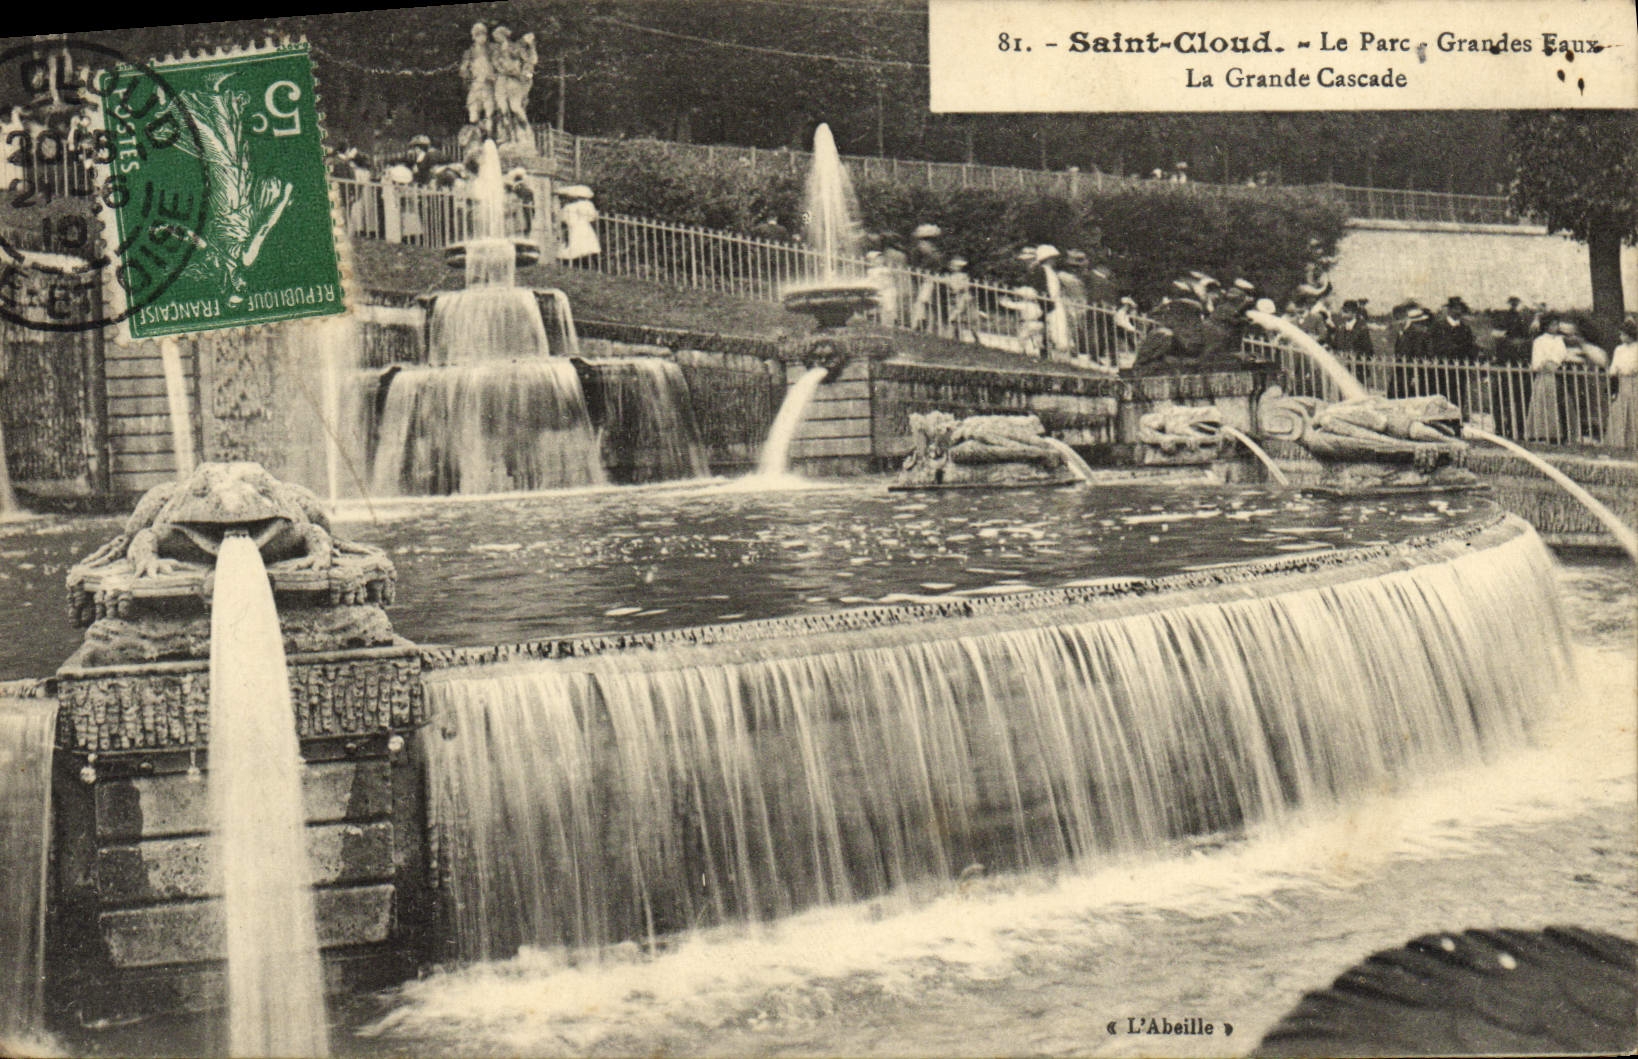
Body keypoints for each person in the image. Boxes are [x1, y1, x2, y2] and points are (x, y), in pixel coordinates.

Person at [1428, 296, 1480, 413]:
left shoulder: (1465, 328)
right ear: (1449, 310)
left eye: (1460, 308)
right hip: (1441, 369)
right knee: (1441, 397)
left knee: (1458, 397)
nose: (1458, 311)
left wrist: (1470, 363)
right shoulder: (1438, 327)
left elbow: (1470, 348)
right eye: (1455, 308)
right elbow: (1432, 347)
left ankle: (1457, 418)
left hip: (1459, 369)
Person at [1032, 245, 1073, 359]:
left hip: (1055, 302)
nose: (1054, 260)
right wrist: (1048, 302)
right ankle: (1044, 352)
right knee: (1049, 328)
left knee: (1055, 328)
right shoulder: (1041, 270)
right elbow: (1042, 288)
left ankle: (1051, 352)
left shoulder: (1051, 271)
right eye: (1053, 258)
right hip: (1049, 303)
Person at [1607, 317, 1638, 450]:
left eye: (1624, 334)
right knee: (1621, 408)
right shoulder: (1619, 349)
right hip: (1622, 381)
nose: (1622, 337)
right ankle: (1620, 441)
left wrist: (1631, 370)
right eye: (1621, 334)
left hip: (1634, 381)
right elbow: (1614, 366)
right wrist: (1614, 372)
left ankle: (1633, 441)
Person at [459, 22, 496, 129]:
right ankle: (478, 130)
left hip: (489, 83)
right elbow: (463, 69)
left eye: (483, 34)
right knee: (473, 112)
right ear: (474, 37)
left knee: (490, 110)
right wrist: (468, 76)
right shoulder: (469, 52)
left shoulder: (491, 49)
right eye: (478, 35)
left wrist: (493, 76)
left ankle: (489, 131)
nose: (482, 38)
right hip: (476, 84)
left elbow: (498, 64)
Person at [908, 223, 944, 331]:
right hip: (925, 280)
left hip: (930, 280)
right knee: (923, 303)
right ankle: (920, 324)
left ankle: (923, 325)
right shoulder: (922, 252)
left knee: (925, 302)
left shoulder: (933, 253)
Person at [557, 184, 600, 264]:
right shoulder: (588, 204)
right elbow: (592, 217)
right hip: (583, 226)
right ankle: (591, 264)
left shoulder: (569, 206)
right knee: (587, 245)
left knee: (579, 245)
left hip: (576, 227)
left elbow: (564, 219)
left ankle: (580, 262)